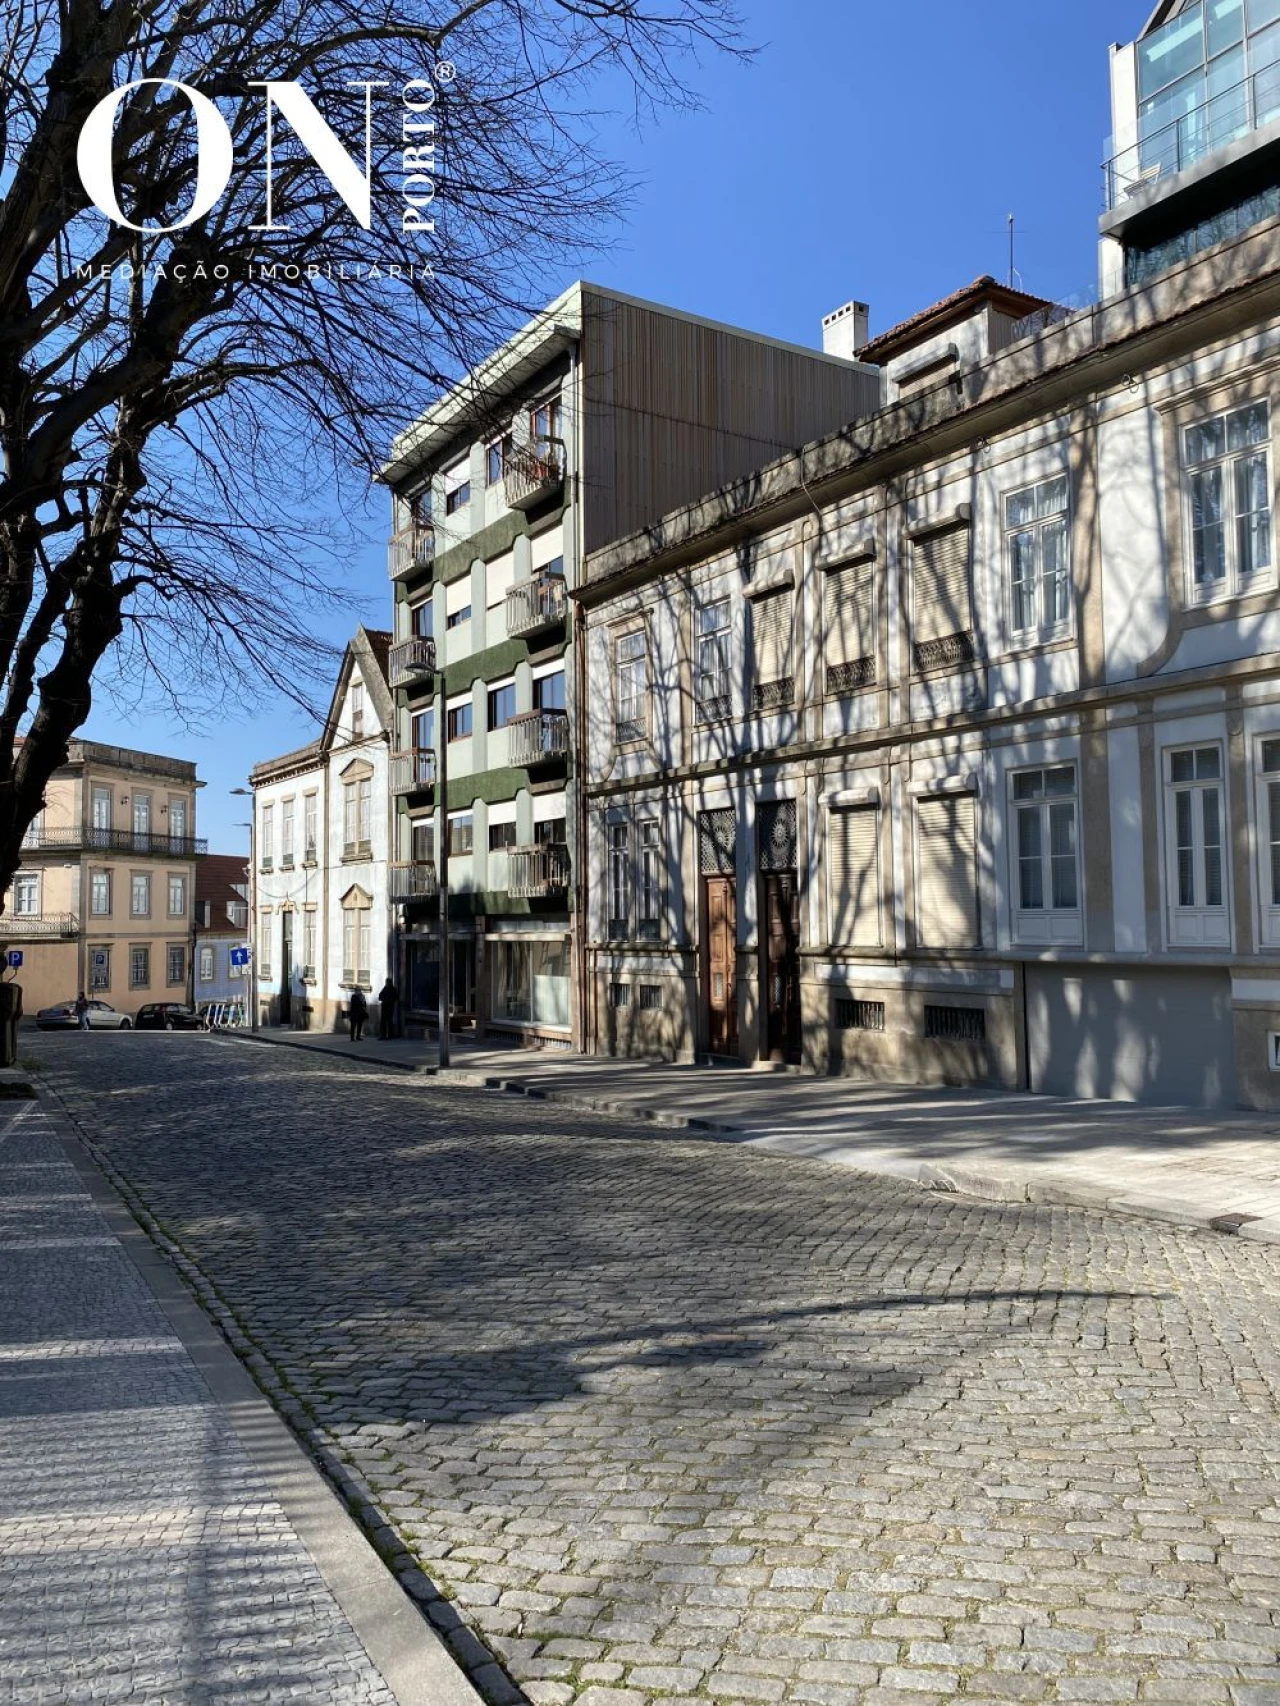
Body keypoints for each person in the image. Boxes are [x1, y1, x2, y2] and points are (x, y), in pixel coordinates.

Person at [376, 977, 398, 1041]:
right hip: (384, 1007)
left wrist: (390, 1000)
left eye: (388, 982)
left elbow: (396, 997)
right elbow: (380, 996)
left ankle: (389, 1035)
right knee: (383, 1022)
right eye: (387, 982)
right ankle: (383, 1035)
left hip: (390, 1007)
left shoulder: (393, 989)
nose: (387, 983)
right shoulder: (385, 988)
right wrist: (383, 999)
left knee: (389, 1021)